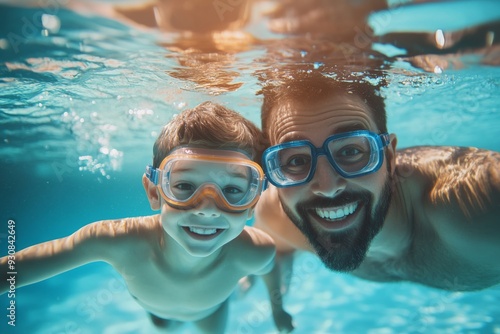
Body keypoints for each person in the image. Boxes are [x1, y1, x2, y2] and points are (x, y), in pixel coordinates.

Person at [0, 101, 276, 333]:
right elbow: (18, 269)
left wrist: (278, 308)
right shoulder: (114, 240)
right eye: (184, 187)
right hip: (155, 311)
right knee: (164, 326)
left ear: (253, 203)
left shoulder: (257, 251)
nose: (208, 208)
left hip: (210, 311)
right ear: (155, 192)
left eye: (232, 190)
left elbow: (270, 271)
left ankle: (240, 284)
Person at [253, 69, 500, 318]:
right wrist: (276, 305)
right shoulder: (277, 217)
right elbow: (277, 251)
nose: (327, 187)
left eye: (350, 151)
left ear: (390, 157)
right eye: (296, 160)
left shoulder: (476, 206)